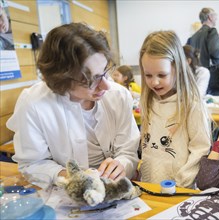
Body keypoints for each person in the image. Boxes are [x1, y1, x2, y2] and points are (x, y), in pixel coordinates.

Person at [6, 23, 140, 184]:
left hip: (117, 187)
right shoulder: (34, 104)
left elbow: (128, 152)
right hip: (65, 192)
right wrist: (70, 177)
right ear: (61, 78)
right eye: (92, 79)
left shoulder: (118, 96)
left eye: (104, 72)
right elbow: (32, 164)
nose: (106, 85)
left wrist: (122, 165)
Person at [138, 30, 211, 188]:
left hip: (179, 189)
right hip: (149, 186)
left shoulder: (192, 104)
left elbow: (200, 149)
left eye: (162, 75)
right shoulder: (147, 101)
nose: (155, 82)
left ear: (178, 69)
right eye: (148, 75)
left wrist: (181, 183)